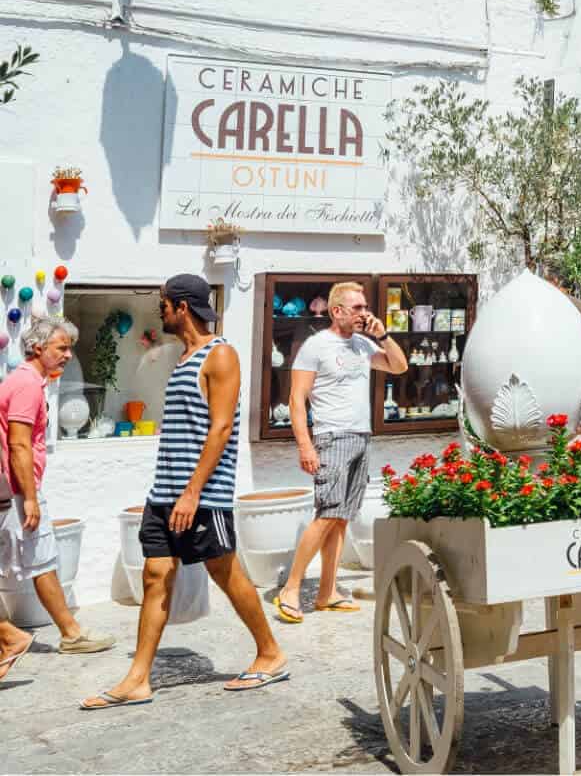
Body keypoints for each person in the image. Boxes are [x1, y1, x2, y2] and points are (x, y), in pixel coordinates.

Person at [82, 274, 287, 708]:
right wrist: (173, 490)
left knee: (224, 572)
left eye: (164, 305)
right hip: (165, 490)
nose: (161, 311)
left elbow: (221, 427)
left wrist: (193, 492)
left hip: (203, 493)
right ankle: (138, 678)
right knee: (156, 574)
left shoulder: (221, 354)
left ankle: (270, 653)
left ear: (181, 306)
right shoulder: (185, 356)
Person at [272, 281, 407, 623]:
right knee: (328, 513)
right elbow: (296, 400)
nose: (364, 312)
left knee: (342, 518)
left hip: (361, 436)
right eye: (357, 307)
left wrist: (383, 334)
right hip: (331, 438)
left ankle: (327, 592)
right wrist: (305, 444)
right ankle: (290, 589)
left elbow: (399, 366)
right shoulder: (316, 346)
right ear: (336, 311)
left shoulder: (363, 345)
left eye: (364, 307)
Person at [0, 319, 115, 680]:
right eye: (61, 348)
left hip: (15, 489)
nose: (68, 355)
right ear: (38, 348)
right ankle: (14, 637)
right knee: (42, 557)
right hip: (17, 490)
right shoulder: (26, 386)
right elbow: (18, 443)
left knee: (42, 559)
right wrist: (29, 497)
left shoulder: (27, 382)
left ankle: (67, 632)